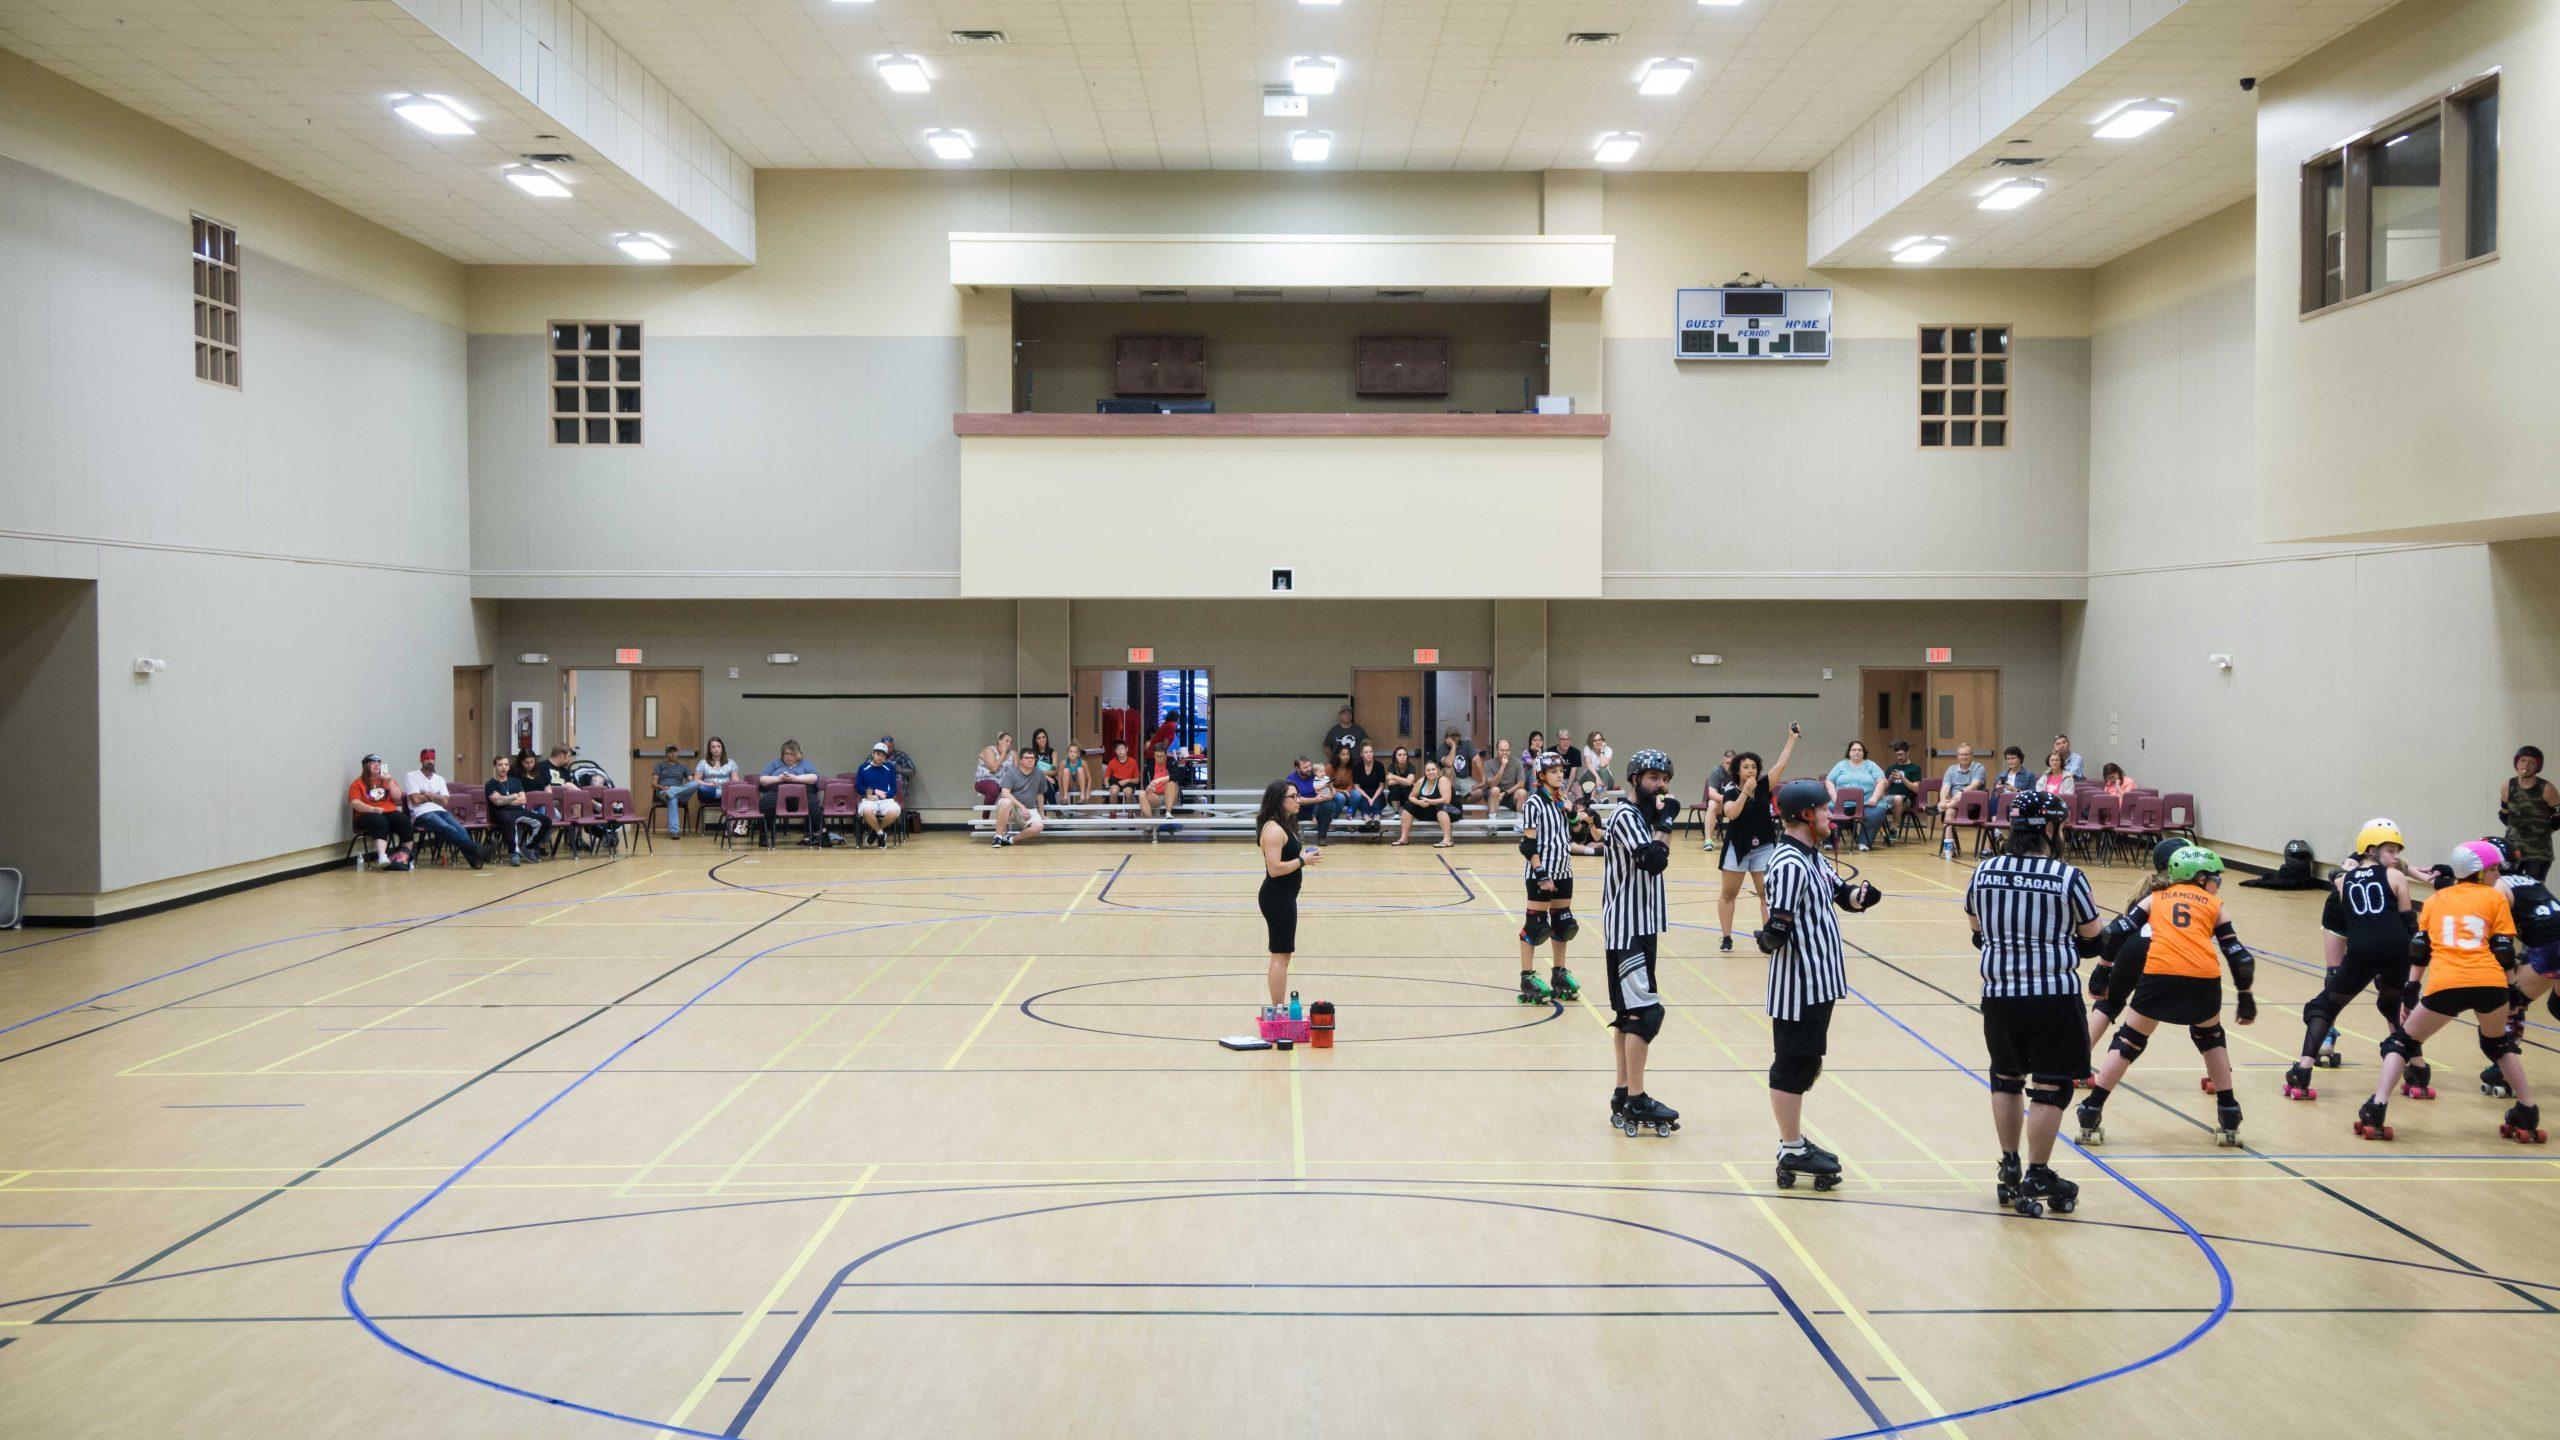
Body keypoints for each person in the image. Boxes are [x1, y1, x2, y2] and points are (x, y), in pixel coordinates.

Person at [1964, 791, 2103, 1215]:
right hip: (2052, 996)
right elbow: (2094, 939)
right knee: (2050, 1083)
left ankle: (2009, 1164)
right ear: (2048, 828)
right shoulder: (2066, 876)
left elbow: (1976, 930)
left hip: (2000, 995)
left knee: (2005, 1077)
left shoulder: (1984, 872)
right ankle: (2039, 1171)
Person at [2075, 845, 2260, 1149]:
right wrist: (2245, 996)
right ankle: (2228, 1112)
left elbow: (2119, 929)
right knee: (2210, 1037)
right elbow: (2239, 956)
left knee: (2129, 1040)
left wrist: (2104, 967)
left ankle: (2092, 1108)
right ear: (2200, 878)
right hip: (2204, 978)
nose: (2218, 884)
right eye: (2216, 878)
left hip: (2160, 975)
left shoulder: (2155, 898)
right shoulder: (2214, 904)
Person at [2359, 840, 2539, 1142]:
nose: (2498, 875)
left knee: (2402, 1043)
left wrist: (2412, 988)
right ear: (2477, 873)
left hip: (2448, 984)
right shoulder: (2495, 900)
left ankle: (2376, 1108)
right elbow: (2503, 950)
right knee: (2498, 1044)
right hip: (2490, 983)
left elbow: (2420, 949)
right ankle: (2527, 1110)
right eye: (2493, 870)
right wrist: (2514, 990)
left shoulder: (2436, 900)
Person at [1757, 778, 1883, 1190]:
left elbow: (1839, 894)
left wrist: (1860, 898)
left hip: (1820, 981)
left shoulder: (1811, 857)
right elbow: (1779, 922)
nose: (1832, 816)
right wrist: (1768, 937)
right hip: (1799, 984)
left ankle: (1793, 1142)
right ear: (1807, 815)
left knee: (1808, 1062)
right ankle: (1791, 1146)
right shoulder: (1790, 862)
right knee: (1793, 1063)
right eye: (1826, 810)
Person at [2280, 821, 2423, 1101]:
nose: (2396, 858)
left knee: (2324, 1007)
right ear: (2372, 850)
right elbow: (2409, 925)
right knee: (2392, 1006)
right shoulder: (2396, 878)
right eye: (2391, 851)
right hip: (2397, 951)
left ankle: (2303, 1070)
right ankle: (2418, 1069)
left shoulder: (2344, 881)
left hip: (2362, 952)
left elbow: (2350, 910)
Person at [1602, 748, 1681, 1137]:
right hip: (1628, 929)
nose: (1661, 785)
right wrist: (1666, 821)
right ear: (1635, 779)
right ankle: (1636, 1096)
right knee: (1644, 1015)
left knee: (1628, 1014)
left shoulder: (1642, 816)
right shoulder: (1626, 816)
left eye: (1665, 778)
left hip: (1640, 926)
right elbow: (1653, 859)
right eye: (1653, 778)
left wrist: (1661, 818)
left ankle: (1622, 1090)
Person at [1715, 725, 1801, 951]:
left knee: (1766, 893)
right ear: (1737, 770)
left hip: (1763, 846)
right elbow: (1731, 813)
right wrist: (1745, 792)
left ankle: (1769, 935)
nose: (1751, 770)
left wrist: (1791, 739)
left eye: (1754, 767)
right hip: (1738, 846)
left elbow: (1781, 764)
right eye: (1746, 767)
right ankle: (1726, 937)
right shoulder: (1731, 790)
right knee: (1729, 893)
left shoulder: (1765, 785)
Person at [2490, 845, 2560, 1091]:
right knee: (2556, 1006)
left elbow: (2502, 944)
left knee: (2513, 1004)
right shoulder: (2528, 879)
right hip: (2551, 940)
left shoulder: (2498, 887)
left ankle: (2505, 1072)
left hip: (2551, 947)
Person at [1516, 751, 1581, 1005]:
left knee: (1563, 925)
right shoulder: (1533, 804)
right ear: (1542, 776)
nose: (1559, 775)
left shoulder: (1563, 799)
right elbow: (1528, 845)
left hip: (1564, 870)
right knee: (1535, 926)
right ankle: (1527, 976)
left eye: (1561, 771)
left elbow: (1579, 836)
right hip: (1541, 871)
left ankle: (1559, 973)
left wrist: (1574, 814)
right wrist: (1541, 874)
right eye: (1554, 772)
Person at [1257, 779, 1318, 1007]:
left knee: (1284, 954)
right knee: (1280, 955)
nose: (1298, 800)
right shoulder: (1273, 830)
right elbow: (1274, 869)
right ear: (1280, 801)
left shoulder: (1285, 824)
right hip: (1277, 898)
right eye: (1293, 796)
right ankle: (1278, 1008)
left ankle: (1278, 1006)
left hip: (1285, 896)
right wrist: (1303, 860)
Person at [404, 748, 489, 869]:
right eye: (427, 759)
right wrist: (435, 797)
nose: (430, 761)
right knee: (447, 828)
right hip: (421, 813)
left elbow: (445, 801)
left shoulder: (439, 779)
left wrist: (429, 795)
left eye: (432, 758)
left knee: (461, 830)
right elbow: (416, 800)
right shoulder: (411, 776)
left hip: (440, 810)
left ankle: (475, 860)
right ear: (421, 760)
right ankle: (478, 849)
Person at [347, 754, 413, 870]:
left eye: (379, 763)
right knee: (379, 820)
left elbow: (398, 798)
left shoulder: (386, 780)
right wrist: (372, 809)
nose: (376, 765)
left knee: (404, 821)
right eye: (373, 763)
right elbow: (354, 803)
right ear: (365, 766)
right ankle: (382, 856)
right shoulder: (357, 783)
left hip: (388, 811)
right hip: (365, 814)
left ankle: (406, 857)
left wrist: (389, 781)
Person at [2502, 746, 2556, 882]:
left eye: (2532, 762)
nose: (2526, 765)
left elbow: (2558, 817)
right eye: (2523, 761)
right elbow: (2504, 814)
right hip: (2513, 849)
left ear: (2538, 766)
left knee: (2533, 891)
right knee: (2508, 887)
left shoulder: (2546, 788)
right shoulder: (2508, 786)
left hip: (2539, 852)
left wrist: (2542, 830)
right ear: (2516, 763)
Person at [759, 740, 827, 847]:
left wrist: (795, 778)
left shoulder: (806, 764)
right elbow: (762, 779)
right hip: (777, 794)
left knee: (813, 804)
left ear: (798, 755)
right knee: (766, 801)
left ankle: (823, 835)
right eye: (786, 754)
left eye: (792, 754)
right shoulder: (775, 764)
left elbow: (814, 778)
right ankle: (764, 835)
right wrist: (778, 778)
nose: (788, 756)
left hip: (801, 796)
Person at [1825, 741, 1886, 853]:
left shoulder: (1871, 765)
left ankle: (1864, 842)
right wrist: (1835, 797)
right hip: (1842, 803)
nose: (1857, 752)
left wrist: (1875, 798)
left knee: (1876, 812)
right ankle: (1830, 841)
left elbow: (1882, 782)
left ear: (1863, 752)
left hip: (1867, 803)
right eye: (1854, 750)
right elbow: (1829, 781)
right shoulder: (1841, 765)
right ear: (1849, 752)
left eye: (1859, 750)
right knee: (1828, 810)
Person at [484, 754, 545, 864]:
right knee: (510, 819)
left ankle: (526, 846)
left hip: (518, 811)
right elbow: (497, 802)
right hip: (500, 813)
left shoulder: (515, 781)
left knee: (545, 821)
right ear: (495, 767)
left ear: (508, 767)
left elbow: (523, 800)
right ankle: (514, 853)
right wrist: (513, 796)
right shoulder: (490, 784)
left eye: (506, 765)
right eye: (500, 765)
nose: (503, 767)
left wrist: (503, 798)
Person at [992, 747, 1047, 846]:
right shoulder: (1011, 772)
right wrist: (1022, 807)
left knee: (1039, 826)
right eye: (1027, 758)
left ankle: (1011, 840)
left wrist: (1042, 813)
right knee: (1005, 801)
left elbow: (1040, 794)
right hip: (1012, 809)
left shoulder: (1039, 773)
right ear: (1021, 760)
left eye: (1033, 758)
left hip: (1030, 809)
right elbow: (1005, 793)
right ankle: (998, 837)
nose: (1030, 760)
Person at [1397, 758, 1455, 849]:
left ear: (1437, 771)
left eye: (1433, 769)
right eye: (1428, 770)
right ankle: (1404, 838)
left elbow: (1446, 800)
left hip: (1452, 810)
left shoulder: (1443, 780)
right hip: (1432, 811)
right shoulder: (1421, 781)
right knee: (1408, 805)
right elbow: (1411, 797)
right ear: (1425, 772)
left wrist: (1429, 801)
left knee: (1441, 806)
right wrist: (1419, 802)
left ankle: (1447, 840)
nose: (1430, 772)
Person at [854, 743, 902, 847]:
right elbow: (858, 787)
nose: (880, 757)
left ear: (885, 757)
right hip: (869, 799)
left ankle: (874, 831)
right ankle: (880, 834)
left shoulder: (889, 768)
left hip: (886, 800)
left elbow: (893, 789)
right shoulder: (863, 768)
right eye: (878, 754)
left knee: (894, 812)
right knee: (866, 811)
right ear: (873, 753)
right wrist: (874, 792)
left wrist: (882, 796)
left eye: (883, 755)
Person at [693, 737, 739, 837]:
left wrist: (730, 788)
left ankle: (729, 829)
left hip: (726, 791)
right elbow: (696, 780)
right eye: (713, 747)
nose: (716, 749)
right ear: (710, 749)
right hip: (708, 792)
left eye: (718, 746)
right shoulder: (703, 763)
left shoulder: (731, 762)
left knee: (732, 793)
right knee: (701, 788)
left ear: (722, 748)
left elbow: (735, 780)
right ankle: (723, 794)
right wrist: (708, 784)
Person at [650, 746, 696, 839]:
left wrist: (678, 789)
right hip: (663, 792)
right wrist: (661, 787)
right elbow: (653, 784)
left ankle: (671, 792)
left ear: (678, 753)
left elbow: (692, 782)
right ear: (666, 754)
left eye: (674, 751)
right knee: (673, 799)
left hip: (680, 792)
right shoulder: (660, 765)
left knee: (696, 783)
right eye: (670, 752)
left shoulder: (683, 767)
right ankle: (674, 832)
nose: (672, 754)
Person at [1936, 743, 1987, 826]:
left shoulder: (1979, 768)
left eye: (1967, 754)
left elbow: (1975, 784)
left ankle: (1940, 808)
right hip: (1954, 803)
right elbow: (1945, 787)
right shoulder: (1951, 769)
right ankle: (1948, 839)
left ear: (1972, 755)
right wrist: (1942, 800)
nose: (1964, 757)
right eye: (1962, 755)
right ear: (1957, 756)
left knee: (1962, 796)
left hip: (1974, 806)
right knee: (1949, 811)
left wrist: (1962, 792)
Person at [1700, 749, 1738, 850]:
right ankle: (1708, 841)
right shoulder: (1717, 773)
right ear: (1723, 762)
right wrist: (1728, 799)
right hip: (1721, 804)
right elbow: (1712, 794)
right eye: (1727, 763)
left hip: (1737, 804)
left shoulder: (1741, 773)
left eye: (1732, 763)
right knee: (1712, 804)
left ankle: (1741, 839)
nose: (1729, 766)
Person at [1346, 741, 1388, 831]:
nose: (1369, 754)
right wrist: (1368, 798)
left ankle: (1377, 820)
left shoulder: (1379, 765)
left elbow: (1381, 786)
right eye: (1366, 752)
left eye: (1370, 751)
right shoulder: (1357, 766)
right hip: (1363, 793)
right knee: (1365, 804)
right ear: (1362, 754)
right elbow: (1356, 786)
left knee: (1376, 804)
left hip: (1377, 793)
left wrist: (1372, 798)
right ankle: (1367, 820)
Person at [1481, 738, 1525, 818]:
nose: (1505, 753)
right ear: (1497, 750)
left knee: (1522, 792)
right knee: (1495, 790)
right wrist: (1503, 766)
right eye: (1502, 750)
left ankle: (1519, 824)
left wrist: (1506, 793)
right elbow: (1492, 784)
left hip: (1509, 793)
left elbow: (1521, 783)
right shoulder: (1488, 763)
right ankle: (1492, 824)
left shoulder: (1517, 762)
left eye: (1507, 750)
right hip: (1493, 794)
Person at [1439, 729, 1478, 814]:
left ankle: (1458, 806)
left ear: (1459, 737)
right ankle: (1449, 805)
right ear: (1446, 738)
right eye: (1451, 736)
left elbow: (1477, 759)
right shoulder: (1442, 748)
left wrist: (1484, 780)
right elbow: (1449, 763)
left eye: (1456, 736)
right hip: (1448, 780)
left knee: (1479, 792)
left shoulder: (1466, 744)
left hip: (1464, 778)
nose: (1454, 738)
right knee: (1449, 769)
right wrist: (1453, 746)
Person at [975, 732, 1015, 810]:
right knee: (993, 789)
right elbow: (994, 769)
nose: (1009, 743)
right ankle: (985, 816)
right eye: (1007, 741)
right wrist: (1003, 754)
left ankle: (1010, 816)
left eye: (1011, 742)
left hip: (1004, 783)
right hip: (985, 781)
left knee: (1021, 788)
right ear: (999, 741)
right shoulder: (989, 750)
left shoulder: (1012, 753)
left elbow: (1016, 771)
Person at [1140, 742, 1181, 819]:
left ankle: (1168, 813)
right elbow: (1145, 784)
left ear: (1166, 755)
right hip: (1156, 797)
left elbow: (1178, 776)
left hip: (1171, 796)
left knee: (1171, 783)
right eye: (1156, 756)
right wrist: (1149, 787)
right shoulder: (1149, 765)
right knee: (1142, 793)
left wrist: (1160, 780)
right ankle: (1150, 823)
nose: (1158, 758)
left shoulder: (1172, 762)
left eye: (1161, 756)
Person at [1382, 745, 1418, 813]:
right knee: (1395, 787)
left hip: (1407, 797)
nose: (1402, 757)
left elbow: (1409, 782)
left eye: (1404, 755)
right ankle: (1396, 813)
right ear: (1396, 757)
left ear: (1407, 756)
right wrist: (1405, 781)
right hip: (1394, 797)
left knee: (1408, 788)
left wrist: (1394, 777)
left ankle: (1406, 811)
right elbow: (1390, 782)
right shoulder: (1392, 766)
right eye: (1400, 755)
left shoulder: (1411, 766)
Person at [1104, 741, 1140, 809]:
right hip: (1116, 781)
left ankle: (1130, 814)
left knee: (1129, 793)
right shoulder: (1112, 762)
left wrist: (1127, 780)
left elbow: (1137, 780)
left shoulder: (1133, 762)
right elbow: (1106, 778)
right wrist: (1107, 786)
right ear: (1115, 751)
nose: (1120, 751)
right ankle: (1113, 813)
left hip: (1128, 782)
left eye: (1122, 748)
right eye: (1118, 749)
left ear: (1127, 749)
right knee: (1114, 791)